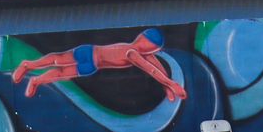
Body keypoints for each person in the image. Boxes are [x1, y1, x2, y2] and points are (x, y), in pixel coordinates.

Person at [11, 30, 186, 102]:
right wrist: (171, 84)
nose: (152, 53)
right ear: (144, 41)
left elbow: (157, 68)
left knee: (61, 74)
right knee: (57, 60)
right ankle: (28, 64)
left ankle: (36, 80)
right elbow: (152, 70)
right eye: (152, 49)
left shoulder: (142, 53)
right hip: (88, 52)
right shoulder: (131, 53)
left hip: (93, 66)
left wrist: (168, 85)